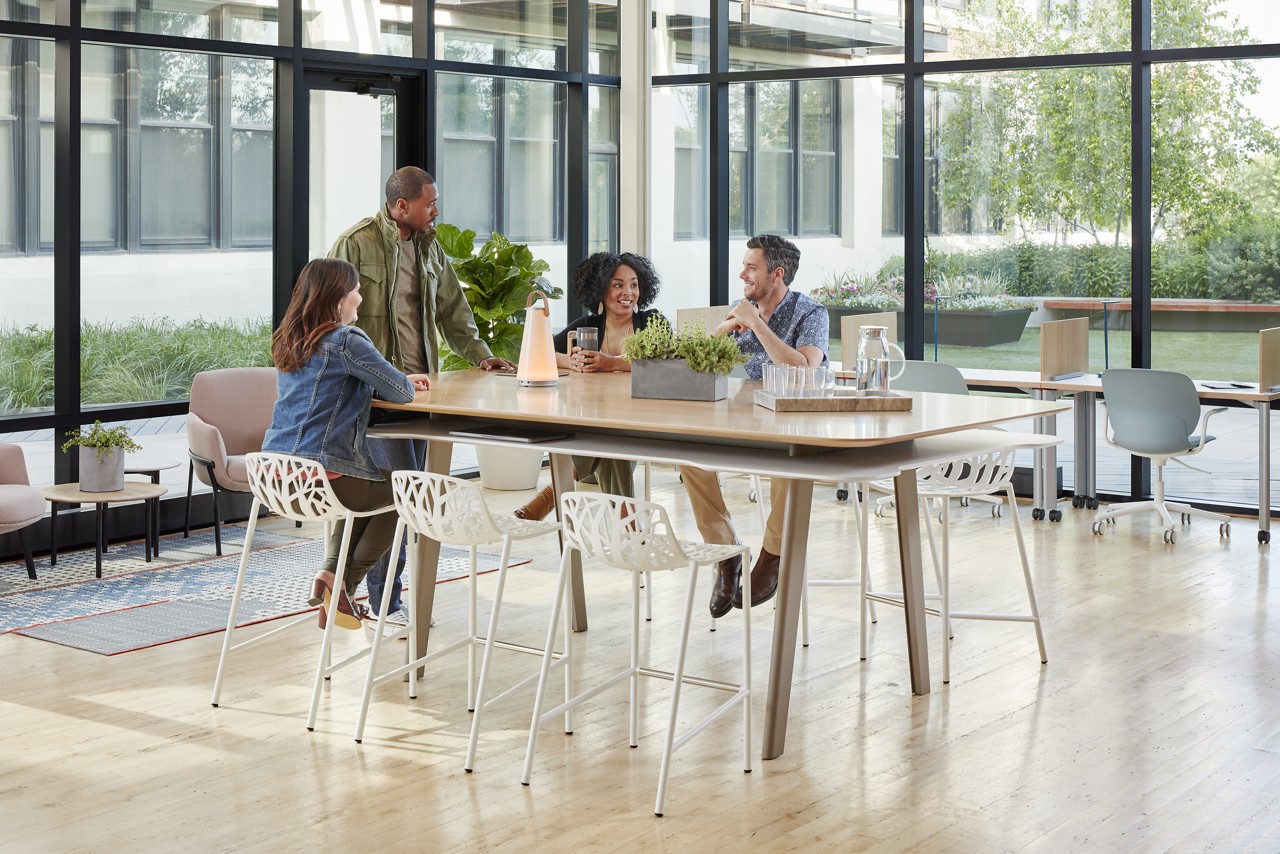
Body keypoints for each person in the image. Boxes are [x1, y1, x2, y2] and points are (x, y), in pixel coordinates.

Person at [328, 166, 514, 630]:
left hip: (419, 393)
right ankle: (379, 601)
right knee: (389, 494)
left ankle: (353, 590)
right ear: (401, 206)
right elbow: (329, 314)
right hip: (372, 398)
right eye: (430, 203)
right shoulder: (356, 243)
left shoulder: (431, 246)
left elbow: (454, 310)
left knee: (410, 497)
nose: (437, 210)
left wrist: (481, 355)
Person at [261, 258, 432, 629]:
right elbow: (401, 393)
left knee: (362, 491)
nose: (359, 297)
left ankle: (329, 576)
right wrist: (399, 378)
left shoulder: (290, 337)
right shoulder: (345, 339)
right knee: (408, 489)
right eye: (355, 290)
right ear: (338, 299)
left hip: (274, 476)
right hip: (320, 474)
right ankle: (343, 584)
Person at [681, 234, 829, 618]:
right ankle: (725, 552)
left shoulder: (812, 313)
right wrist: (726, 328)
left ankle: (772, 556)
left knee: (790, 466)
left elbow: (802, 369)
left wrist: (756, 324)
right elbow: (695, 363)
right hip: (749, 418)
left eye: (751, 266)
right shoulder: (742, 308)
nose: (742, 273)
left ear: (776, 274)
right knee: (688, 455)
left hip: (799, 423)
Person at [512, 251, 667, 521]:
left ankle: (549, 497)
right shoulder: (588, 326)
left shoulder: (652, 323)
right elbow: (540, 348)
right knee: (610, 447)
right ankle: (630, 530)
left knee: (610, 441)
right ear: (600, 289)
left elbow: (665, 363)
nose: (628, 292)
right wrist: (569, 360)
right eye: (618, 285)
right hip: (602, 429)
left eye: (633, 284)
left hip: (641, 426)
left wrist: (613, 363)